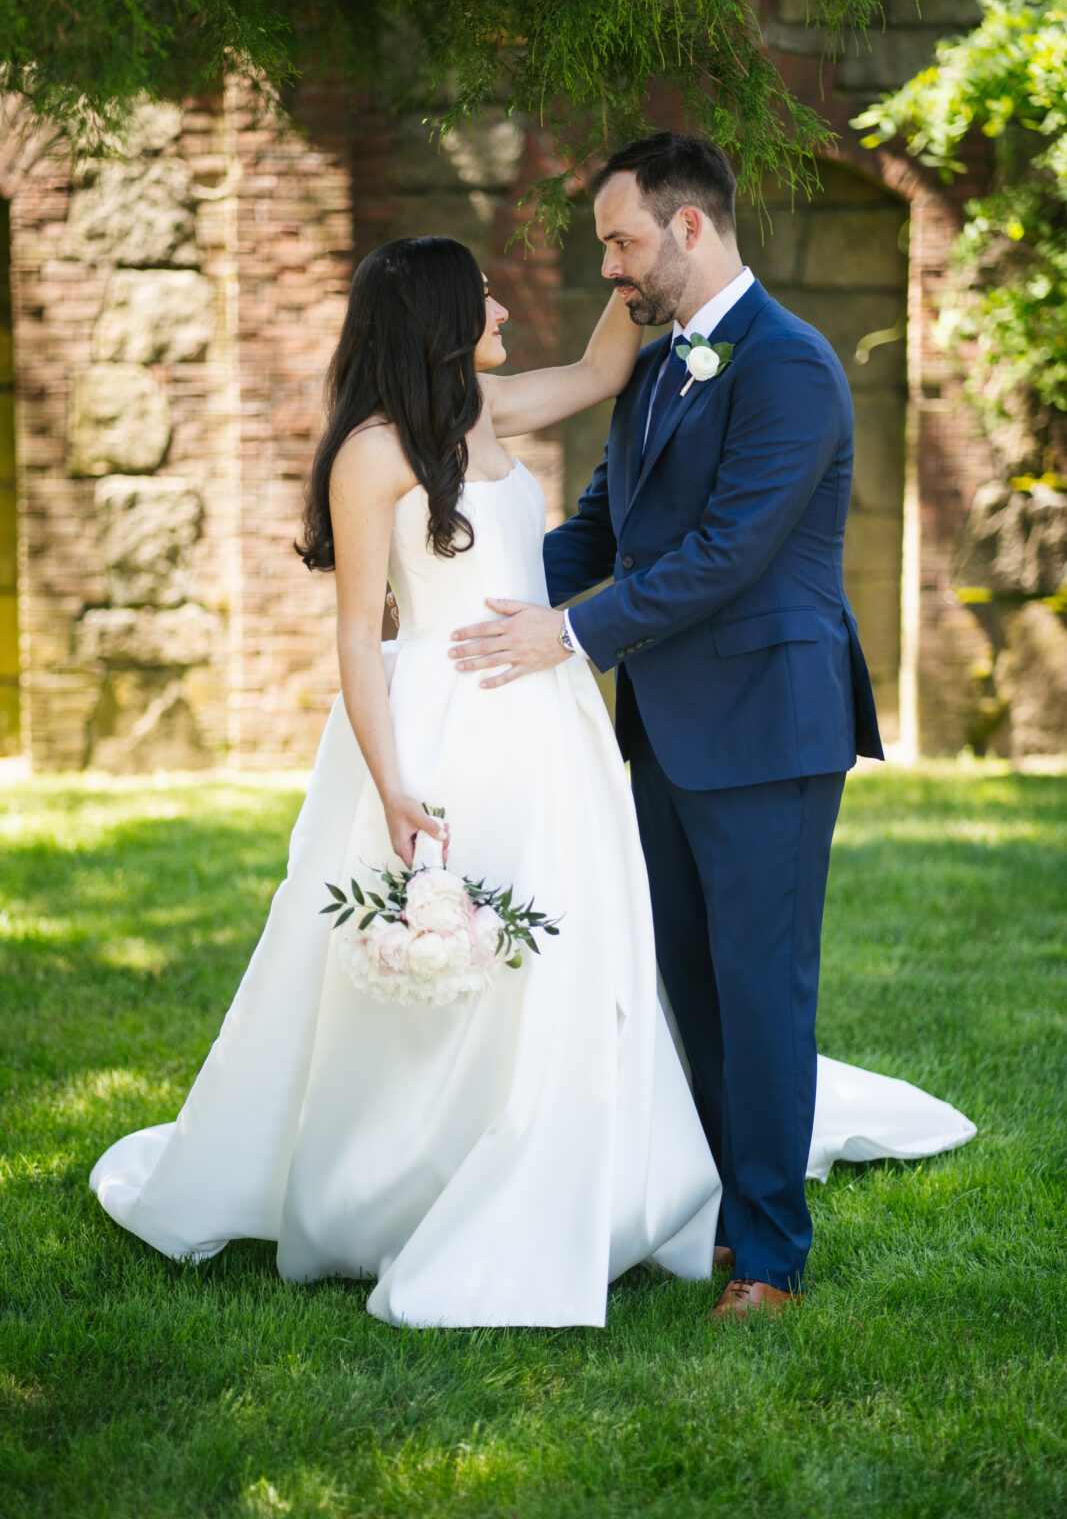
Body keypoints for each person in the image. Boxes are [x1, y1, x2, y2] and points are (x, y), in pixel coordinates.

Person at [91, 231, 975, 1328]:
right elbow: (361, 643)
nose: (503, 305)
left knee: (580, 946)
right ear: (437, 319)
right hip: (442, 721)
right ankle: (410, 1173)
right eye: (484, 297)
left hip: (549, 724)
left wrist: (627, 272)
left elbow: (605, 371)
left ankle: (585, 1164)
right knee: (452, 953)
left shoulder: (484, 411)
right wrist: (394, 781)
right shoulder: (371, 453)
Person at [447, 133, 957, 1318]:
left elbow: (727, 555)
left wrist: (564, 639)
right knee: (690, 985)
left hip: (768, 726)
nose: (610, 269)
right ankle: (733, 1208)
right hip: (662, 731)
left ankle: (772, 1254)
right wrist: (464, 584)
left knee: (759, 988)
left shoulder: (788, 365)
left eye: (621, 242)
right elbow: (600, 526)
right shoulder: (658, 362)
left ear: (688, 228)